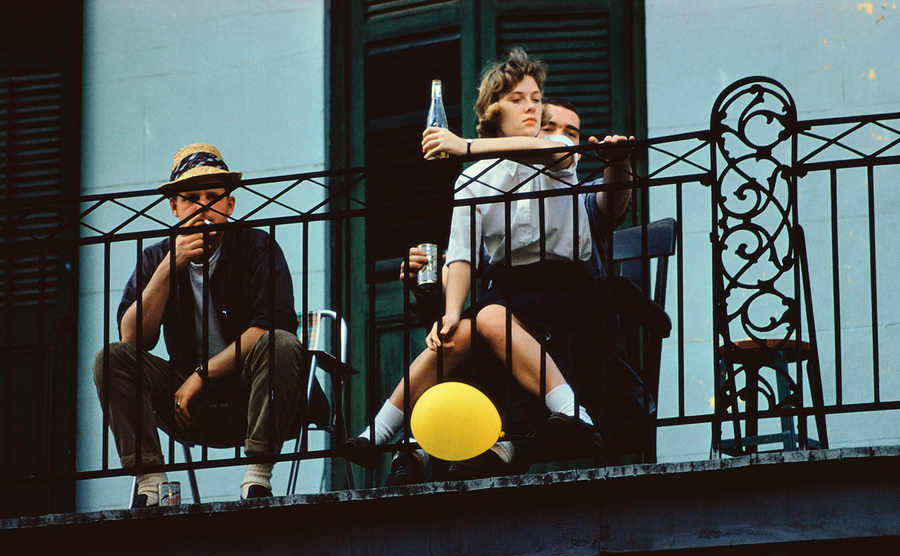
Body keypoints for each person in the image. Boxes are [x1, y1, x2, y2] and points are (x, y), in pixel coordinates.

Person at [346, 49, 635, 482]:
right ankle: (378, 433)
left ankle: (571, 411)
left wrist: (463, 146)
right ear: (492, 109)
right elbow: (461, 254)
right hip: (508, 292)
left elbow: (547, 153)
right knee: (454, 335)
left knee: (489, 316)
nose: (533, 107)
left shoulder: (555, 147)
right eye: (518, 99)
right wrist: (447, 313)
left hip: (562, 289)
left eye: (536, 97)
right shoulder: (473, 177)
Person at [93, 143, 315, 507]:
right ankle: (150, 485)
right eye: (192, 198)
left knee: (283, 343)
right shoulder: (155, 258)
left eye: (213, 197)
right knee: (111, 358)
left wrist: (201, 376)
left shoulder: (256, 246)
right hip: (186, 407)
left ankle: (257, 479)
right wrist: (169, 267)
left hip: (250, 392)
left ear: (230, 204)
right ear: (174, 207)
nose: (203, 208)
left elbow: (270, 327)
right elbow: (132, 339)